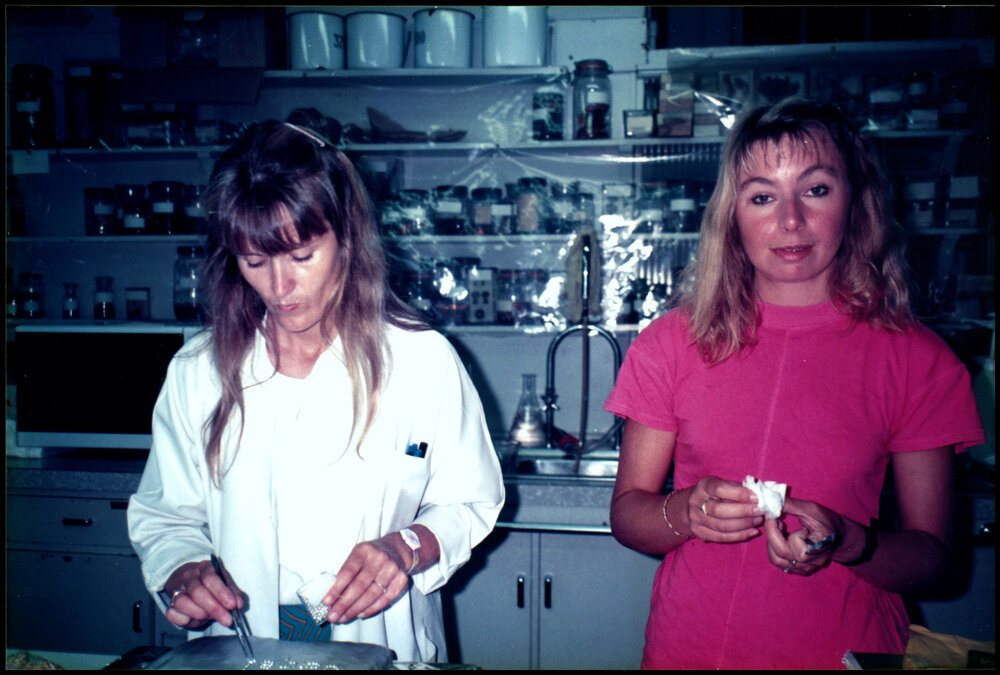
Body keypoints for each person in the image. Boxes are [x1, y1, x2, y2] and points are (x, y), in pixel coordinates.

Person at [604, 99, 984, 669]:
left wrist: (852, 543)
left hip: (846, 654)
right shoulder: (671, 342)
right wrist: (686, 512)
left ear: (855, 202)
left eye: (816, 190)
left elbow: (935, 558)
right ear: (733, 215)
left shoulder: (917, 359)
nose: (789, 221)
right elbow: (628, 513)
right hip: (690, 651)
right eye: (762, 196)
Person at [128, 120, 505, 663]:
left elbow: (470, 500)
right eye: (255, 262)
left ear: (346, 240)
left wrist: (406, 548)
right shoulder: (199, 371)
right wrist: (183, 569)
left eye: (302, 257)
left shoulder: (422, 361)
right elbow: (166, 516)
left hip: (378, 641)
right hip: (242, 643)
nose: (279, 289)